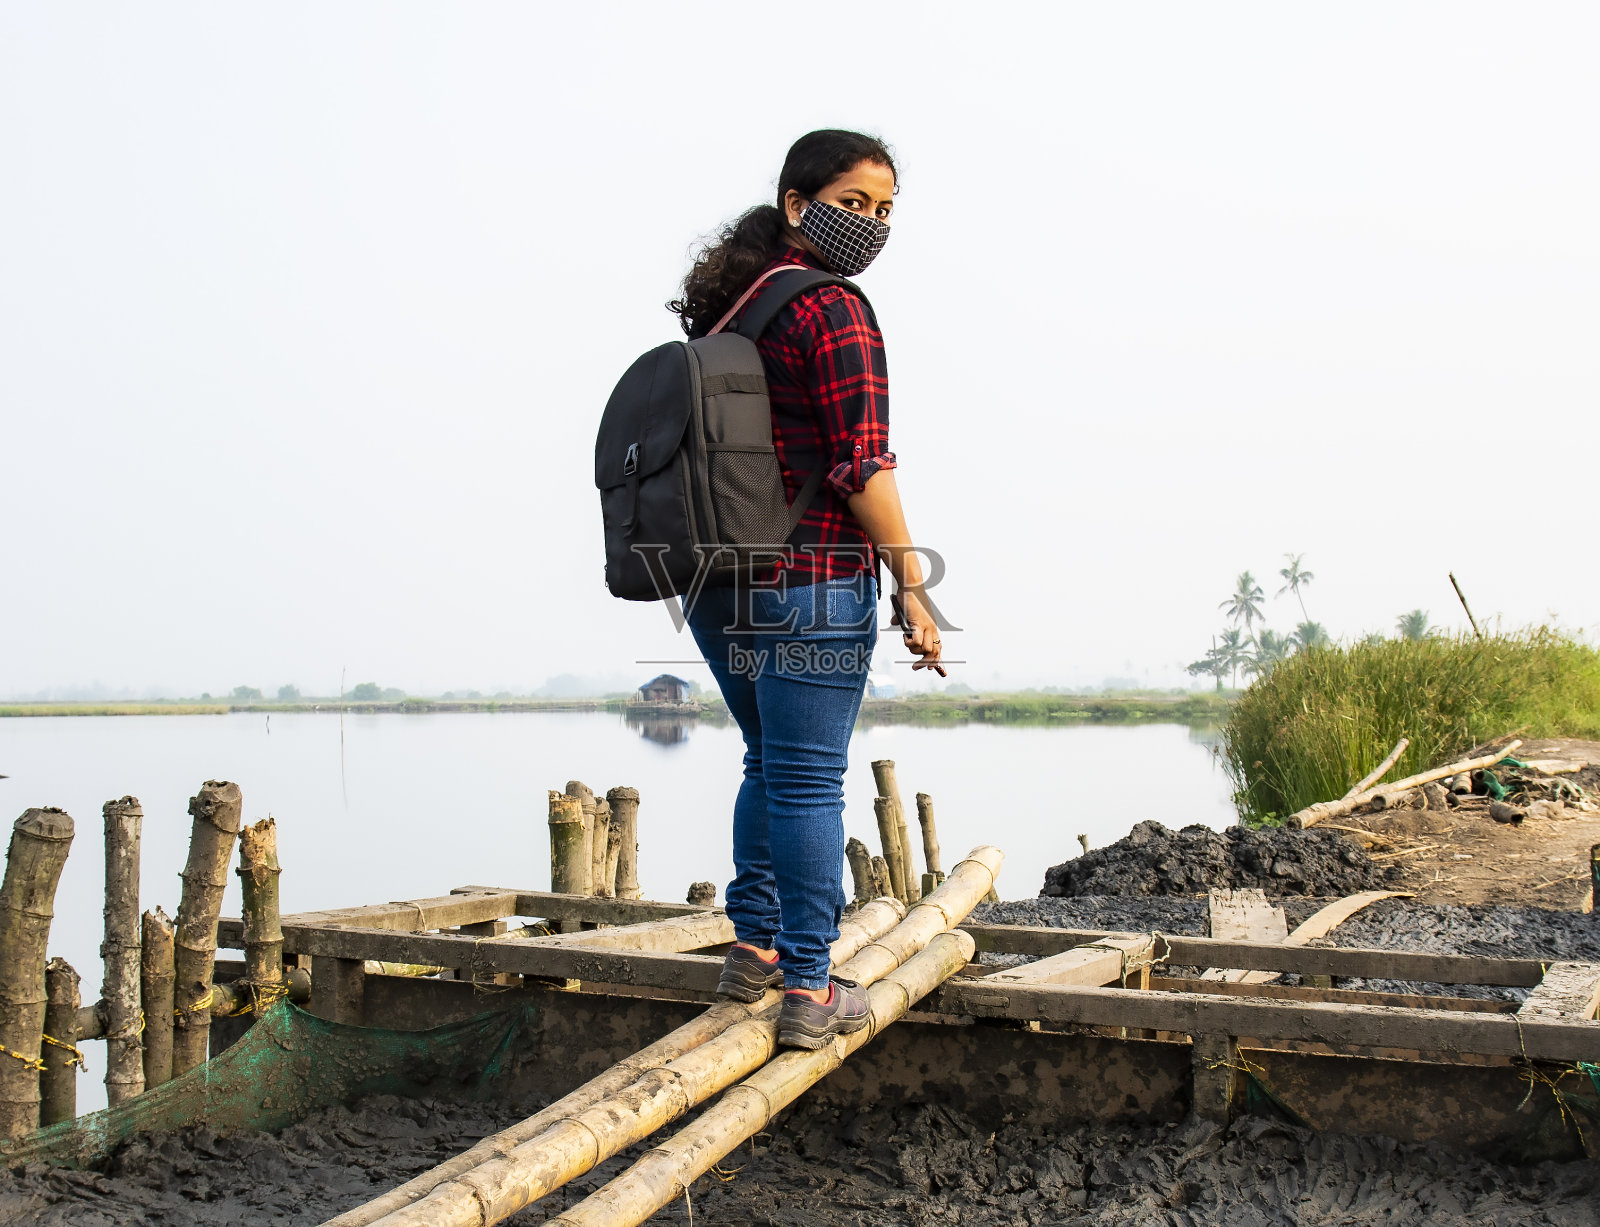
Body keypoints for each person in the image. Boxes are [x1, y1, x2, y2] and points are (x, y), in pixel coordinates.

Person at [668, 129, 944, 1050]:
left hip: (716, 584)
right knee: (809, 779)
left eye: (886, 210)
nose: (872, 224)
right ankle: (812, 986)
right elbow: (862, 464)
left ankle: (754, 949)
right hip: (812, 578)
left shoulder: (733, 312)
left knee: (768, 763)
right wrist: (913, 584)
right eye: (853, 203)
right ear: (797, 203)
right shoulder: (833, 310)